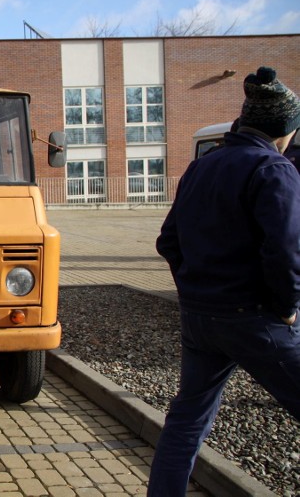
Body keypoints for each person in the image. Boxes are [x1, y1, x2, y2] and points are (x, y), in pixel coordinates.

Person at [148, 67, 300, 496]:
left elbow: (168, 240)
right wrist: (287, 305)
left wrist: (193, 290)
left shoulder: (202, 166)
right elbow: (285, 250)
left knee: (186, 423)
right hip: (254, 318)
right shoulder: (274, 168)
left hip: (201, 319)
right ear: (283, 129)